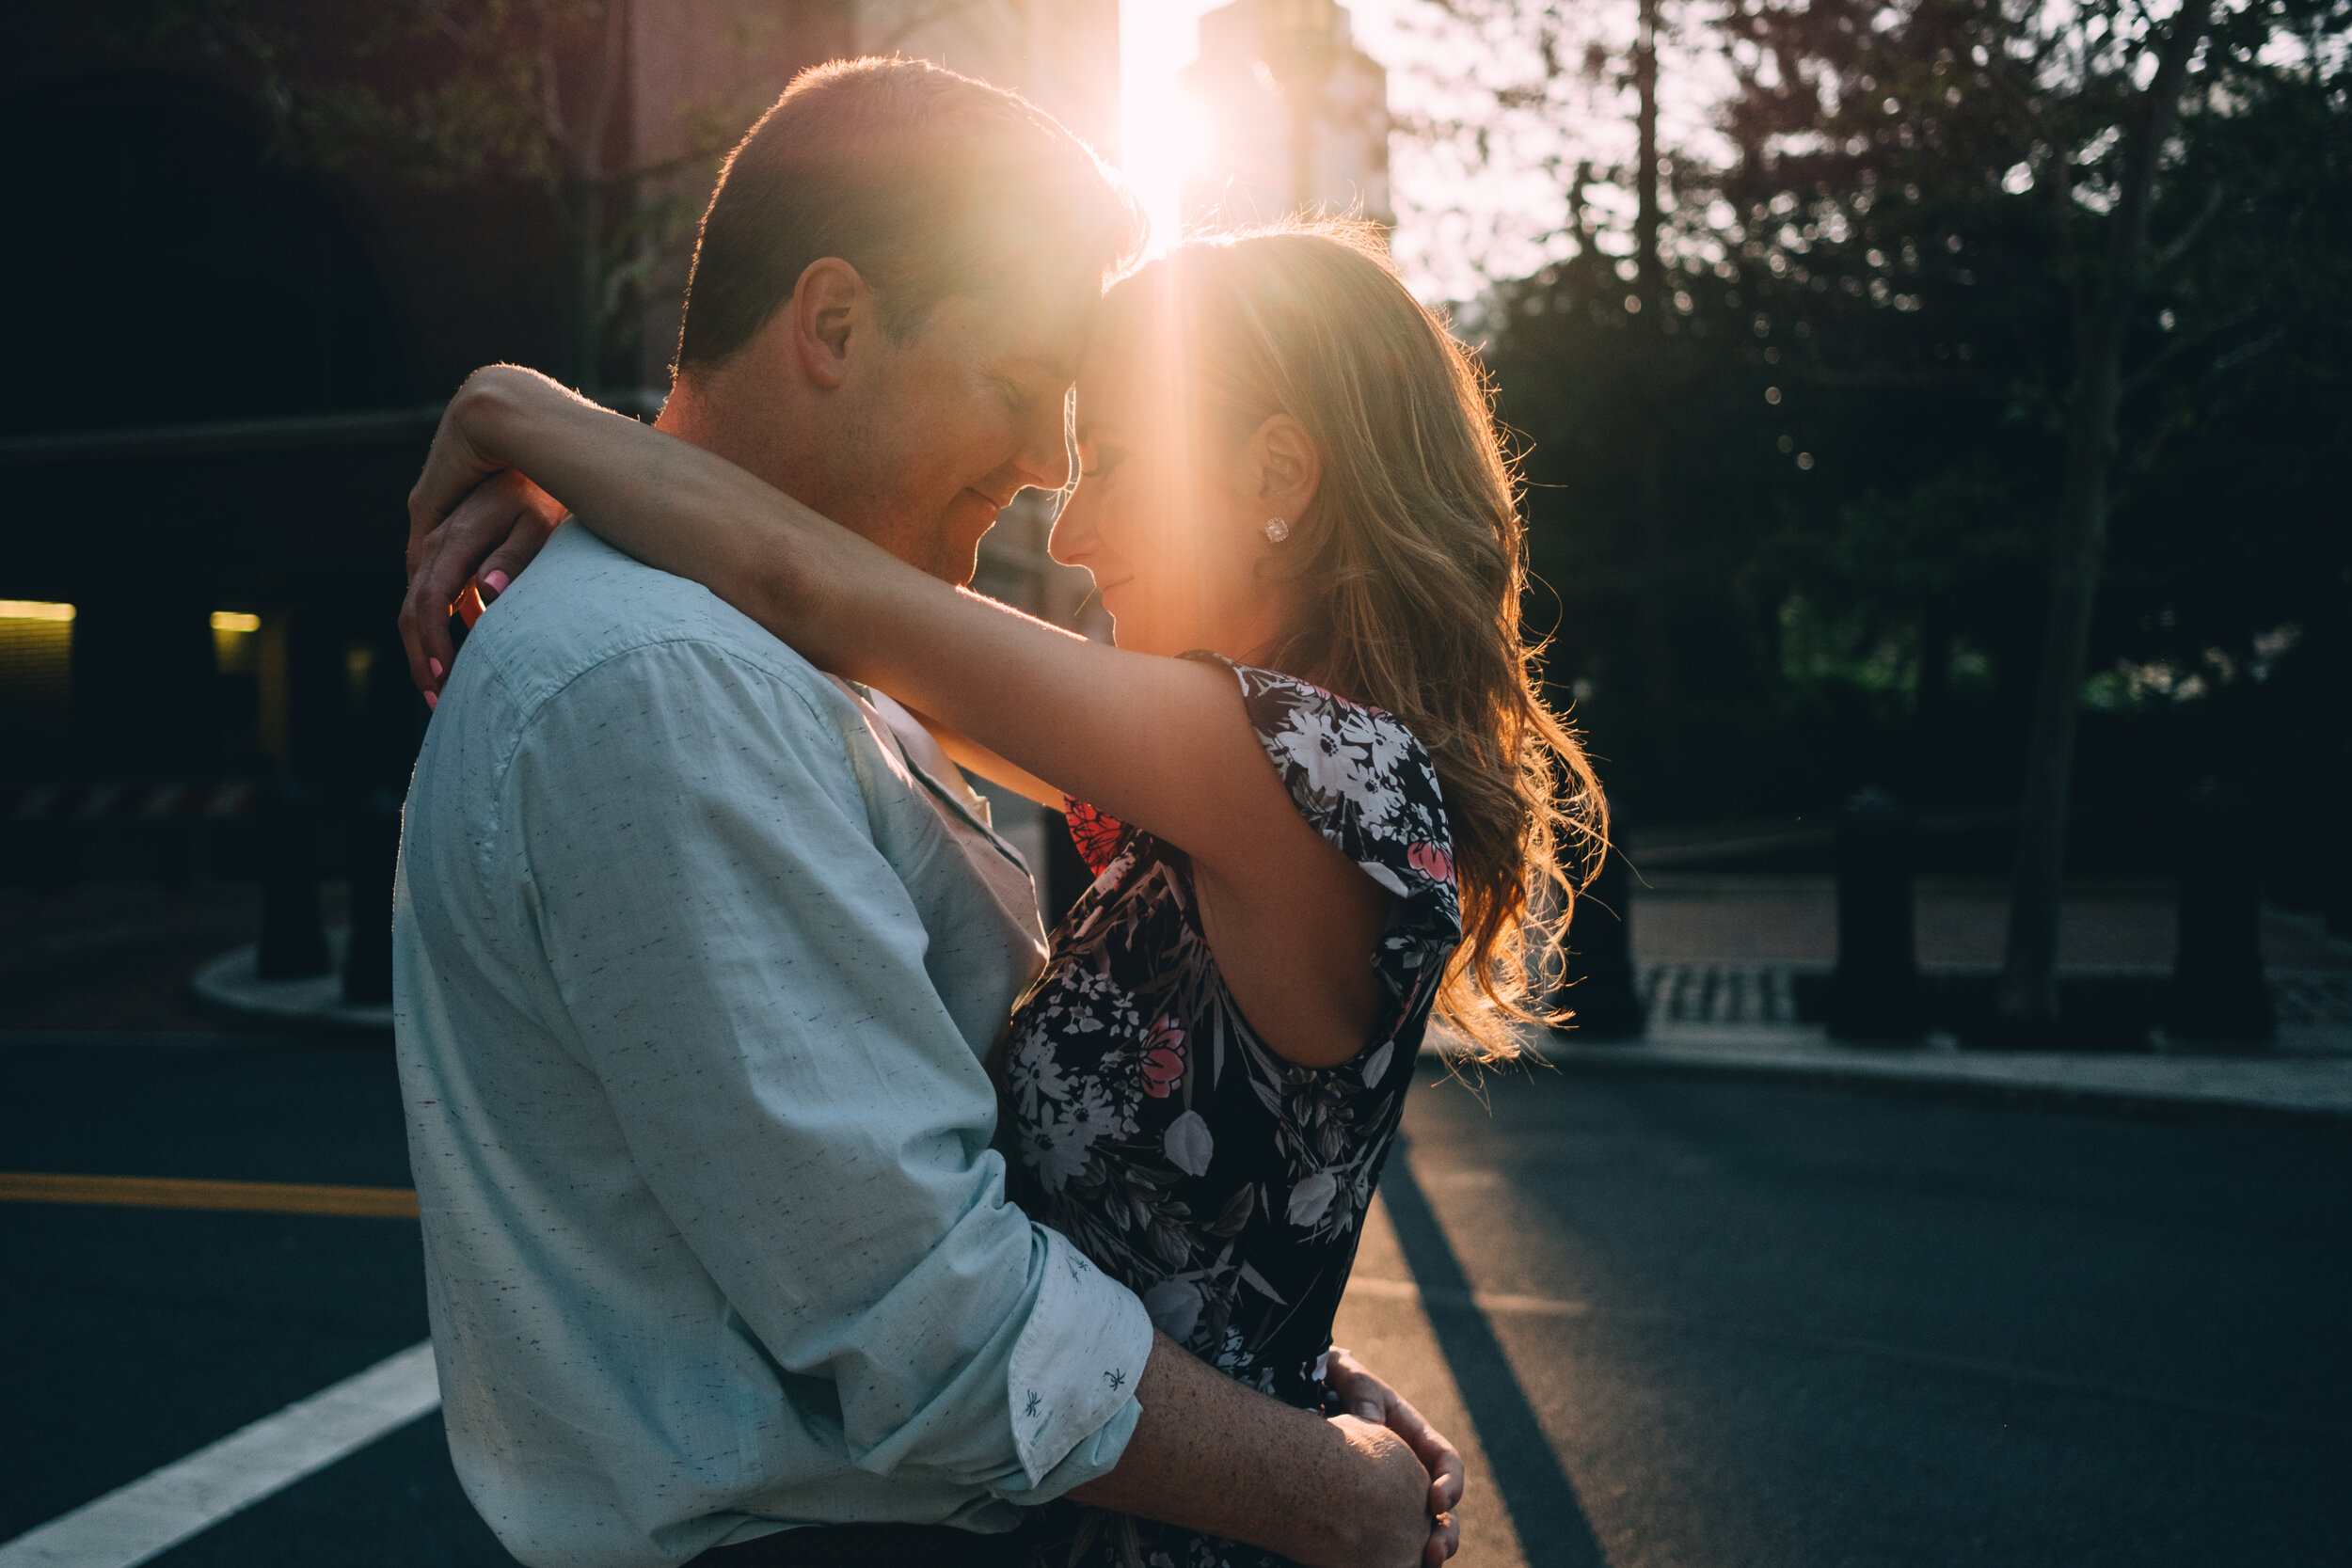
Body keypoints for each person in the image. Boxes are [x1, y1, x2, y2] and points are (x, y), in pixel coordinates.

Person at [404, 216, 1608, 1564]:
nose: (1075, 530)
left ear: (1279, 472)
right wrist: (1290, 1389)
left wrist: (517, 412)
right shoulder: (1270, 771)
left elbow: (815, 583)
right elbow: (841, 631)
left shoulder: (1291, 772)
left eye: (1119, 467)